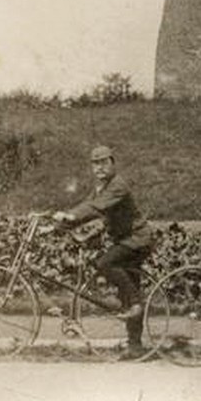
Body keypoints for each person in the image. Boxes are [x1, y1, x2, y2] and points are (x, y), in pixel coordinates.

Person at [52, 145, 154, 360]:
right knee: (128, 288)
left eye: (103, 162)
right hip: (126, 241)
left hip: (137, 240)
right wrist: (56, 225)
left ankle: (136, 304)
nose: (99, 167)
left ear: (113, 163)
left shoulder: (118, 185)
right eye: (95, 163)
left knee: (104, 263)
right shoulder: (101, 186)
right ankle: (135, 346)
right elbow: (88, 204)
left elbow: (96, 209)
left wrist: (70, 217)